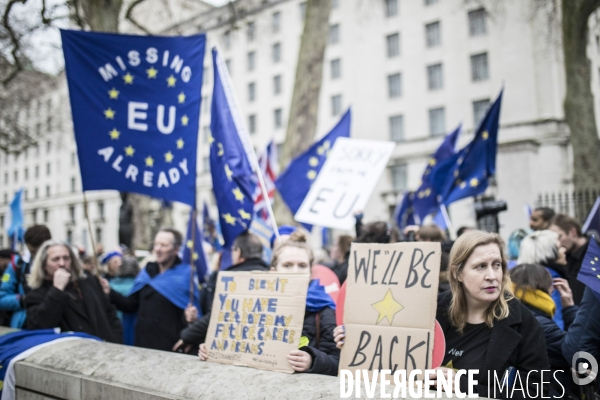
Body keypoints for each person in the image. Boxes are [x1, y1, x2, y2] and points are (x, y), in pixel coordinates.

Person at [334, 230, 549, 397]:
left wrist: (465, 386)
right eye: (480, 267)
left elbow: (537, 391)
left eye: (497, 265)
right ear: (458, 273)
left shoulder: (524, 324)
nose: (492, 276)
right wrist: (353, 339)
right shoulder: (431, 311)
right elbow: (387, 357)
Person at [199, 231, 340, 375]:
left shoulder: (323, 311)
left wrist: (312, 360)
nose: (296, 271)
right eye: (287, 265)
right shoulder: (253, 306)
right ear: (274, 271)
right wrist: (214, 349)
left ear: (310, 272)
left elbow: (337, 362)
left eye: (302, 265)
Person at [103, 228, 199, 351]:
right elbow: (130, 305)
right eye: (156, 244)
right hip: (143, 344)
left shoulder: (185, 274)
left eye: (164, 245)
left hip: (169, 347)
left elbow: (189, 314)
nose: (158, 249)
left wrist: (191, 318)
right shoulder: (146, 271)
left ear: (176, 249)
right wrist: (109, 291)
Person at [176, 232, 268, 351]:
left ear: (238, 252)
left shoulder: (230, 279)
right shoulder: (271, 277)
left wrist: (186, 336)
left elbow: (215, 316)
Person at [24, 240, 122, 343]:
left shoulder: (89, 282)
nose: (62, 264)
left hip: (105, 349)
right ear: (44, 265)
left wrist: (115, 338)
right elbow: (39, 326)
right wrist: (57, 290)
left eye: (66, 258)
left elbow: (111, 314)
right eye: (55, 259)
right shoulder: (36, 294)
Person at [510, 264, 578, 398]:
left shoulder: (510, 316)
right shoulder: (540, 325)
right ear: (549, 289)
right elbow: (577, 351)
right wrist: (570, 309)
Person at [0, 225, 52, 328]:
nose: (37, 256)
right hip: (24, 324)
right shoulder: (17, 265)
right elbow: (2, 297)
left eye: (42, 252)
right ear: (27, 245)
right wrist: (23, 300)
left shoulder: (61, 263)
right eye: (33, 252)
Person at [517, 230, 568, 329]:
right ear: (548, 253)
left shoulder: (523, 279)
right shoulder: (550, 279)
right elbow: (557, 321)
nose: (564, 250)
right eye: (559, 248)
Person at [549, 214, 589, 304]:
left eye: (560, 237)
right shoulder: (565, 256)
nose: (557, 243)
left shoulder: (594, 254)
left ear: (572, 232)